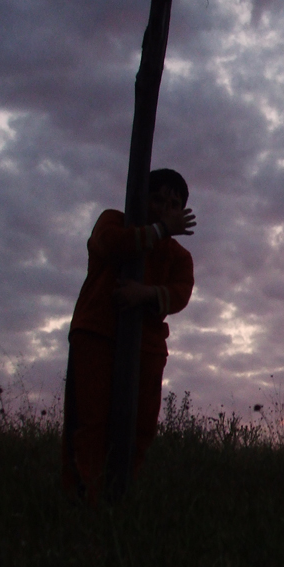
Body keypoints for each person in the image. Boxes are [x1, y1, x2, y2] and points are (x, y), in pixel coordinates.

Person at [61, 168, 196, 503]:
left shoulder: (179, 256)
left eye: (173, 203)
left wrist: (145, 294)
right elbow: (109, 245)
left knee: (139, 428)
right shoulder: (113, 221)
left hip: (147, 346)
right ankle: (85, 502)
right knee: (91, 422)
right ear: (142, 198)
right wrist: (160, 229)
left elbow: (179, 294)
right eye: (158, 199)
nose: (164, 207)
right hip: (98, 332)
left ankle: (119, 499)